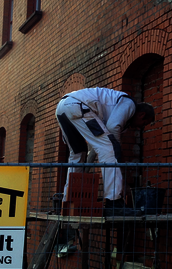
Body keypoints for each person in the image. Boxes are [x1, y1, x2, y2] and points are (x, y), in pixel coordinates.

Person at [55, 87, 155, 215]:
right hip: (78, 106)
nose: (142, 127)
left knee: (78, 154)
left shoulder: (121, 112)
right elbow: (112, 128)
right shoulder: (129, 104)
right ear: (141, 115)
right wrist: (117, 151)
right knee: (109, 148)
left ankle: (69, 201)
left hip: (62, 108)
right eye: (144, 123)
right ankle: (114, 203)